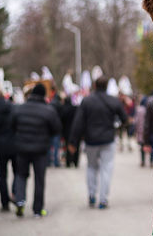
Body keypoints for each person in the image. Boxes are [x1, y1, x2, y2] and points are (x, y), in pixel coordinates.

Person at [68, 76, 127, 209]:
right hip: (108, 139)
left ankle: (91, 195)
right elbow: (124, 119)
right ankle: (103, 199)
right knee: (107, 168)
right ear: (106, 86)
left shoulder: (87, 101)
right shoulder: (113, 101)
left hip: (91, 140)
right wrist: (117, 127)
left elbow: (78, 122)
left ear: (94, 86)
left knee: (91, 167)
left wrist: (73, 141)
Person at [12, 83, 62, 218]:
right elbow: (57, 129)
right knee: (39, 179)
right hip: (41, 150)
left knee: (21, 175)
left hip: (22, 148)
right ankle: (37, 210)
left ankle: (20, 201)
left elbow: (12, 126)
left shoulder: (20, 109)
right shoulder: (48, 110)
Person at [0, 89, 17, 212]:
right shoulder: (12, 107)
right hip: (14, 145)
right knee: (17, 172)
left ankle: (5, 203)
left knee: (2, 176)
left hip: (0, 148)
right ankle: (14, 193)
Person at [61, 96, 78, 167]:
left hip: (66, 131)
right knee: (76, 145)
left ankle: (68, 161)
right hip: (75, 130)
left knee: (67, 145)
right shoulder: (75, 109)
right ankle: (75, 161)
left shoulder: (64, 109)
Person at [49, 88, 63, 167]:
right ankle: (56, 162)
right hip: (57, 127)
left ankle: (48, 161)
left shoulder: (50, 104)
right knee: (56, 146)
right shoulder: (60, 105)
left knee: (49, 145)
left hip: (50, 127)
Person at [134, 96, 147, 167]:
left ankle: (143, 161)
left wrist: (135, 129)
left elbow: (136, 121)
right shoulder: (148, 108)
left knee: (142, 146)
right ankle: (151, 161)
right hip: (147, 130)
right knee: (149, 144)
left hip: (140, 129)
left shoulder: (139, 109)